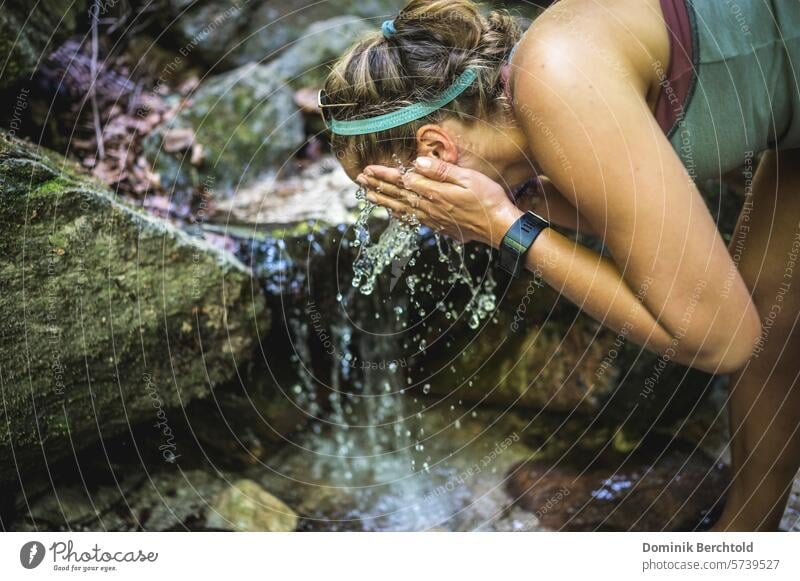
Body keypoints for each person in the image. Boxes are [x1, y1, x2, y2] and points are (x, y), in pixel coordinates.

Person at [318, 0, 800, 531]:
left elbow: (722, 339)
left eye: (396, 197)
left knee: (749, 323)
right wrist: (521, 204)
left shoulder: (557, 82)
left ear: (435, 147)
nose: (413, 220)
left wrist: (508, 228)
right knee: (772, 320)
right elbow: (649, 227)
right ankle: (745, 544)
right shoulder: (542, 99)